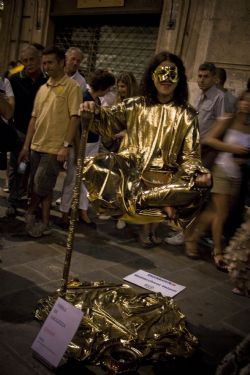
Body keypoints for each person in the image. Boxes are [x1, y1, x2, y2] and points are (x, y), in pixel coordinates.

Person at [80, 51, 212, 248]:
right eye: (161, 72)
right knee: (95, 165)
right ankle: (143, 203)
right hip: (133, 175)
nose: (166, 79)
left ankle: (150, 204)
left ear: (180, 78)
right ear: (152, 75)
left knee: (199, 186)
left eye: (172, 73)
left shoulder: (187, 114)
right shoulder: (134, 105)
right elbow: (107, 122)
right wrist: (93, 110)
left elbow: (191, 155)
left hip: (165, 181)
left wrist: (199, 173)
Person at [18, 46, 82, 238]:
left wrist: (65, 146)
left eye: (50, 62)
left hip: (54, 148)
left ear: (61, 62)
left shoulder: (73, 87)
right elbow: (33, 119)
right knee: (39, 186)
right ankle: (44, 221)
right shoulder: (43, 88)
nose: (46, 67)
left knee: (41, 183)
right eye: (44, 63)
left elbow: (74, 118)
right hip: (37, 144)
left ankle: (32, 212)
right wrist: (26, 146)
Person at [184, 89, 250, 271]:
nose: (246, 104)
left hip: (237, 174)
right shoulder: (228, 119)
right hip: (221, 169)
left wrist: (243, 156)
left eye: (249, 102)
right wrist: (231, 147)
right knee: (221, 214)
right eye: (244, 100)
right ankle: (218, 251)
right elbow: (208, 139)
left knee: (214, 211)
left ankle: (192, 238)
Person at [164, 61, 225, 246]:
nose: (202, 80)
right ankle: (184, 230)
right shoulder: (198, 96)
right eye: (199, 76)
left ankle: (188, 233)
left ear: (214, 78)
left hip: (207, 153)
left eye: (206, 76)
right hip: (193, 151)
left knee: (195, 194)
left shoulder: (219, 98)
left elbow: (221, 127)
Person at [59, 69, 116, 229]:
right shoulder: (84, 97)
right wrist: (78, 149)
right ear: (103, 87)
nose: (110, 91)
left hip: (93, 143)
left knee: (86, 180)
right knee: (72, 179)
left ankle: (82, 211)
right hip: (81, 144)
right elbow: (76, 126)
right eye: (109, 87)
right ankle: (64, 213)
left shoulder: (96, 100)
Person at [7, 45, 48, 217]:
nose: (29, 63)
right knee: (18, 167)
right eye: (25, 60)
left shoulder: (47, 81)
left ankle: (33, 201)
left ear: (40, 59)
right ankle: (13, 201)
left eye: (32, 59)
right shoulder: (14, 79)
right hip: (20, 131)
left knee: (36, 170)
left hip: (42, 132)